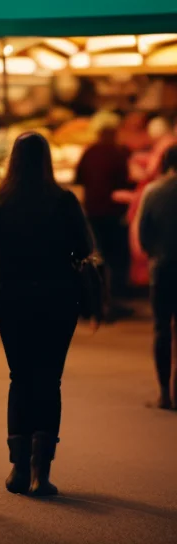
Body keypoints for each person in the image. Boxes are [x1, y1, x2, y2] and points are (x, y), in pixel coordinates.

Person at [0, 132, 94, 497]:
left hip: (11, 300)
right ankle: (42, 471)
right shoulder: (64, 201)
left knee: (20, 377)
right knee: (49, 379)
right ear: (46, 161)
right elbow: (85, 248)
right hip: (58, 298)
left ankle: (18, 467)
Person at [138, 143, 177, 411]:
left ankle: (165, 393)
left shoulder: (154, 191)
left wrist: (155, 253)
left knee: (162, 329)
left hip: (163, 267)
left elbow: (143, 235)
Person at [75, 126, 131, 304]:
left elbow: (79, 178)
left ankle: (98, 297)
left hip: (92, 210)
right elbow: (124, 181)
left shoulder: (89, 152)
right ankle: (113, 297)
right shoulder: (118, 154)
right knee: (115, 257)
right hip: (113, 212)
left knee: (96, 254)